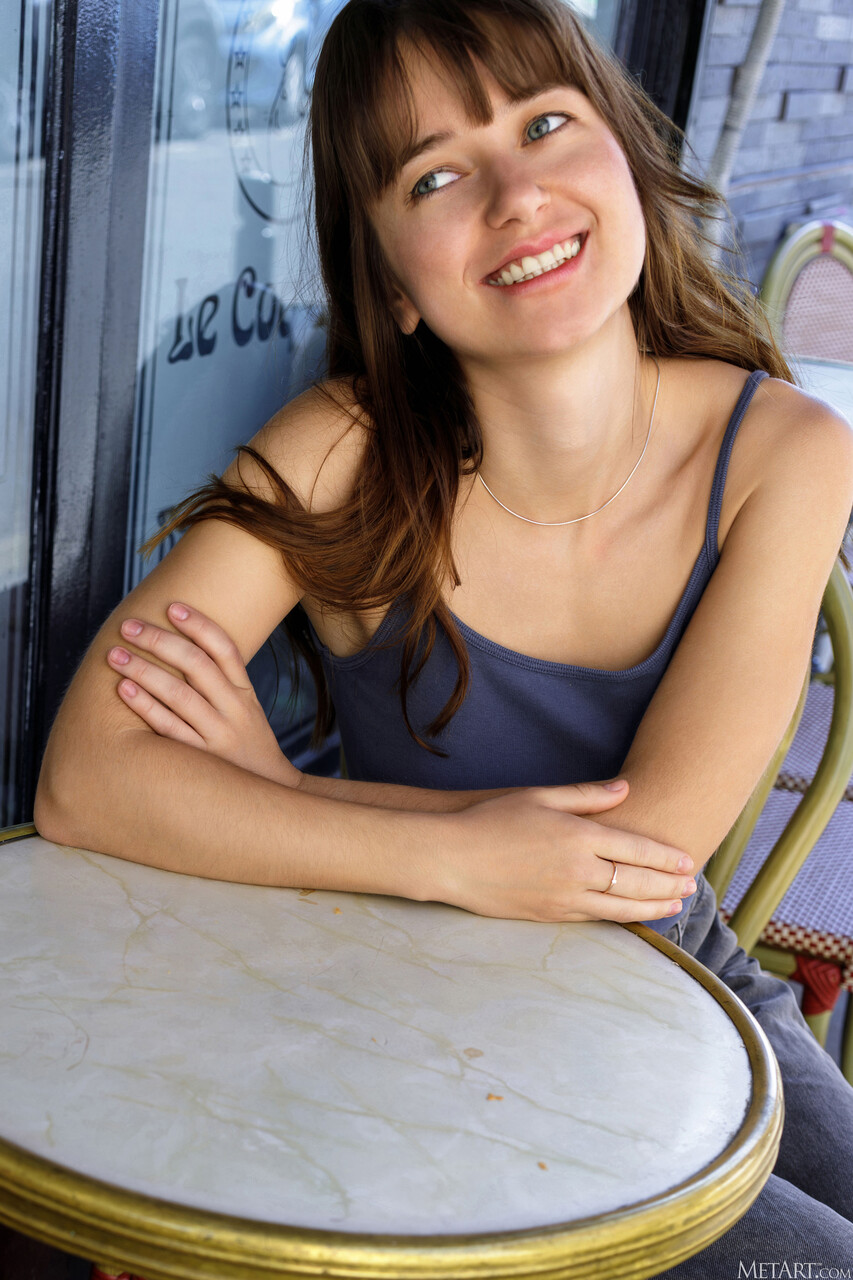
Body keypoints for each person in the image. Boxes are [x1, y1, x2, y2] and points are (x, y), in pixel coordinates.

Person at [35, 0, 853, 1270]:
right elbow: (85, 779)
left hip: (675, 972)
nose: (517, 196)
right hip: (409, 997)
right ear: (391, 282)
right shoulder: (340, 449)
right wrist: (458, 854)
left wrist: (273, 796)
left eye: (543, 124)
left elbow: (635, 866)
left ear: (624, 155)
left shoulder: (784, 451)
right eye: (435, 175)